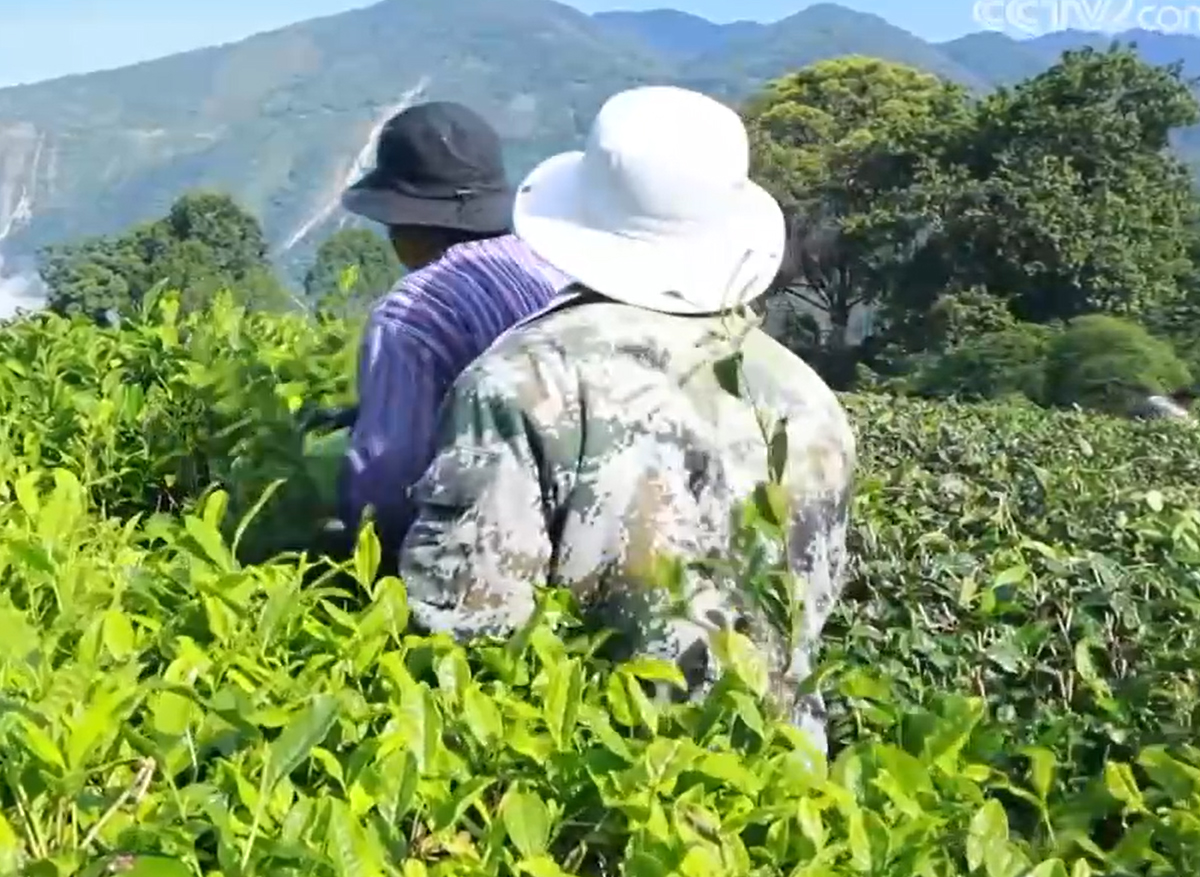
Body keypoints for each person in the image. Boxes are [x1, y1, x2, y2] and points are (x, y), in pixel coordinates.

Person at [397, 86, 857, 751]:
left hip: (603, 782)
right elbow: (808, 609)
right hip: (783, 782)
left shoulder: (524, 380)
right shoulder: (809, 398)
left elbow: (469, 634)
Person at [333, 101, 570, 561]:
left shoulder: (410, 316)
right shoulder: (552, 269)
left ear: (405, 222)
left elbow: (385, 488)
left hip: (488, 558)